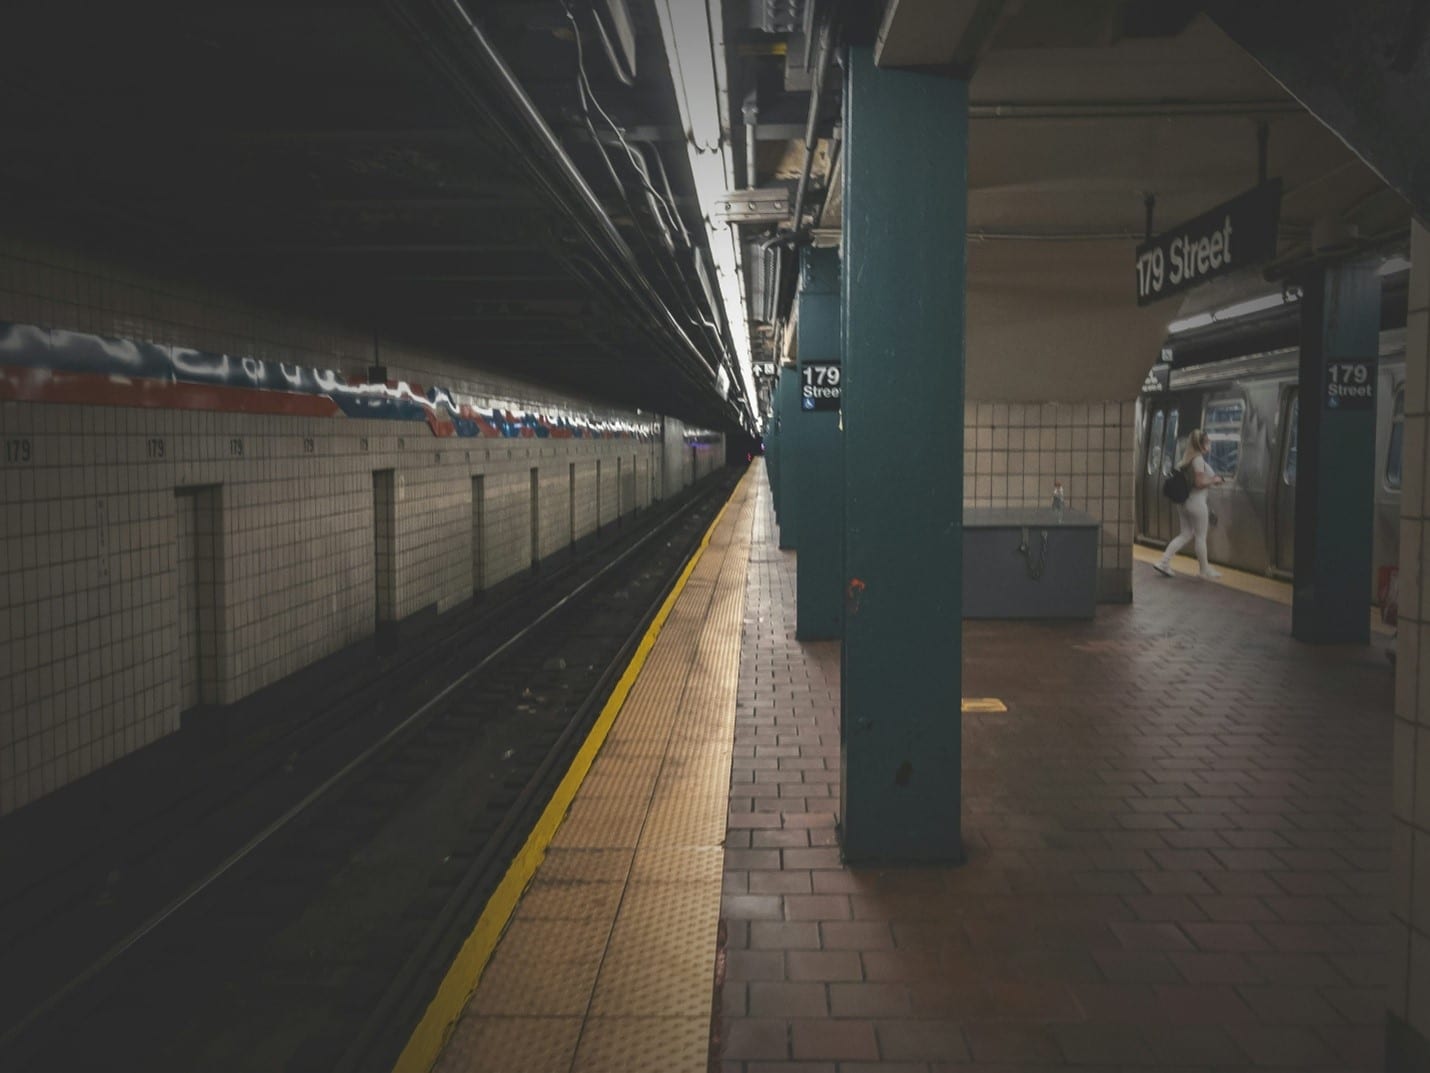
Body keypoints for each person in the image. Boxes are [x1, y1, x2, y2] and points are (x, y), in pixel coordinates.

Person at [1154, 428, 1224, 579]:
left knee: (1186, 534)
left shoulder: (1184, 460)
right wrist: (1214, 480)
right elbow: (1198, 483)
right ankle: (1204, 571)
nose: (1209, 444)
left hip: (1184, 504)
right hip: (1197, 503)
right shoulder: (1198, 460)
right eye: (1207, 442)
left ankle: (1163, 562)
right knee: (1200, 537)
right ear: (1200, 444)